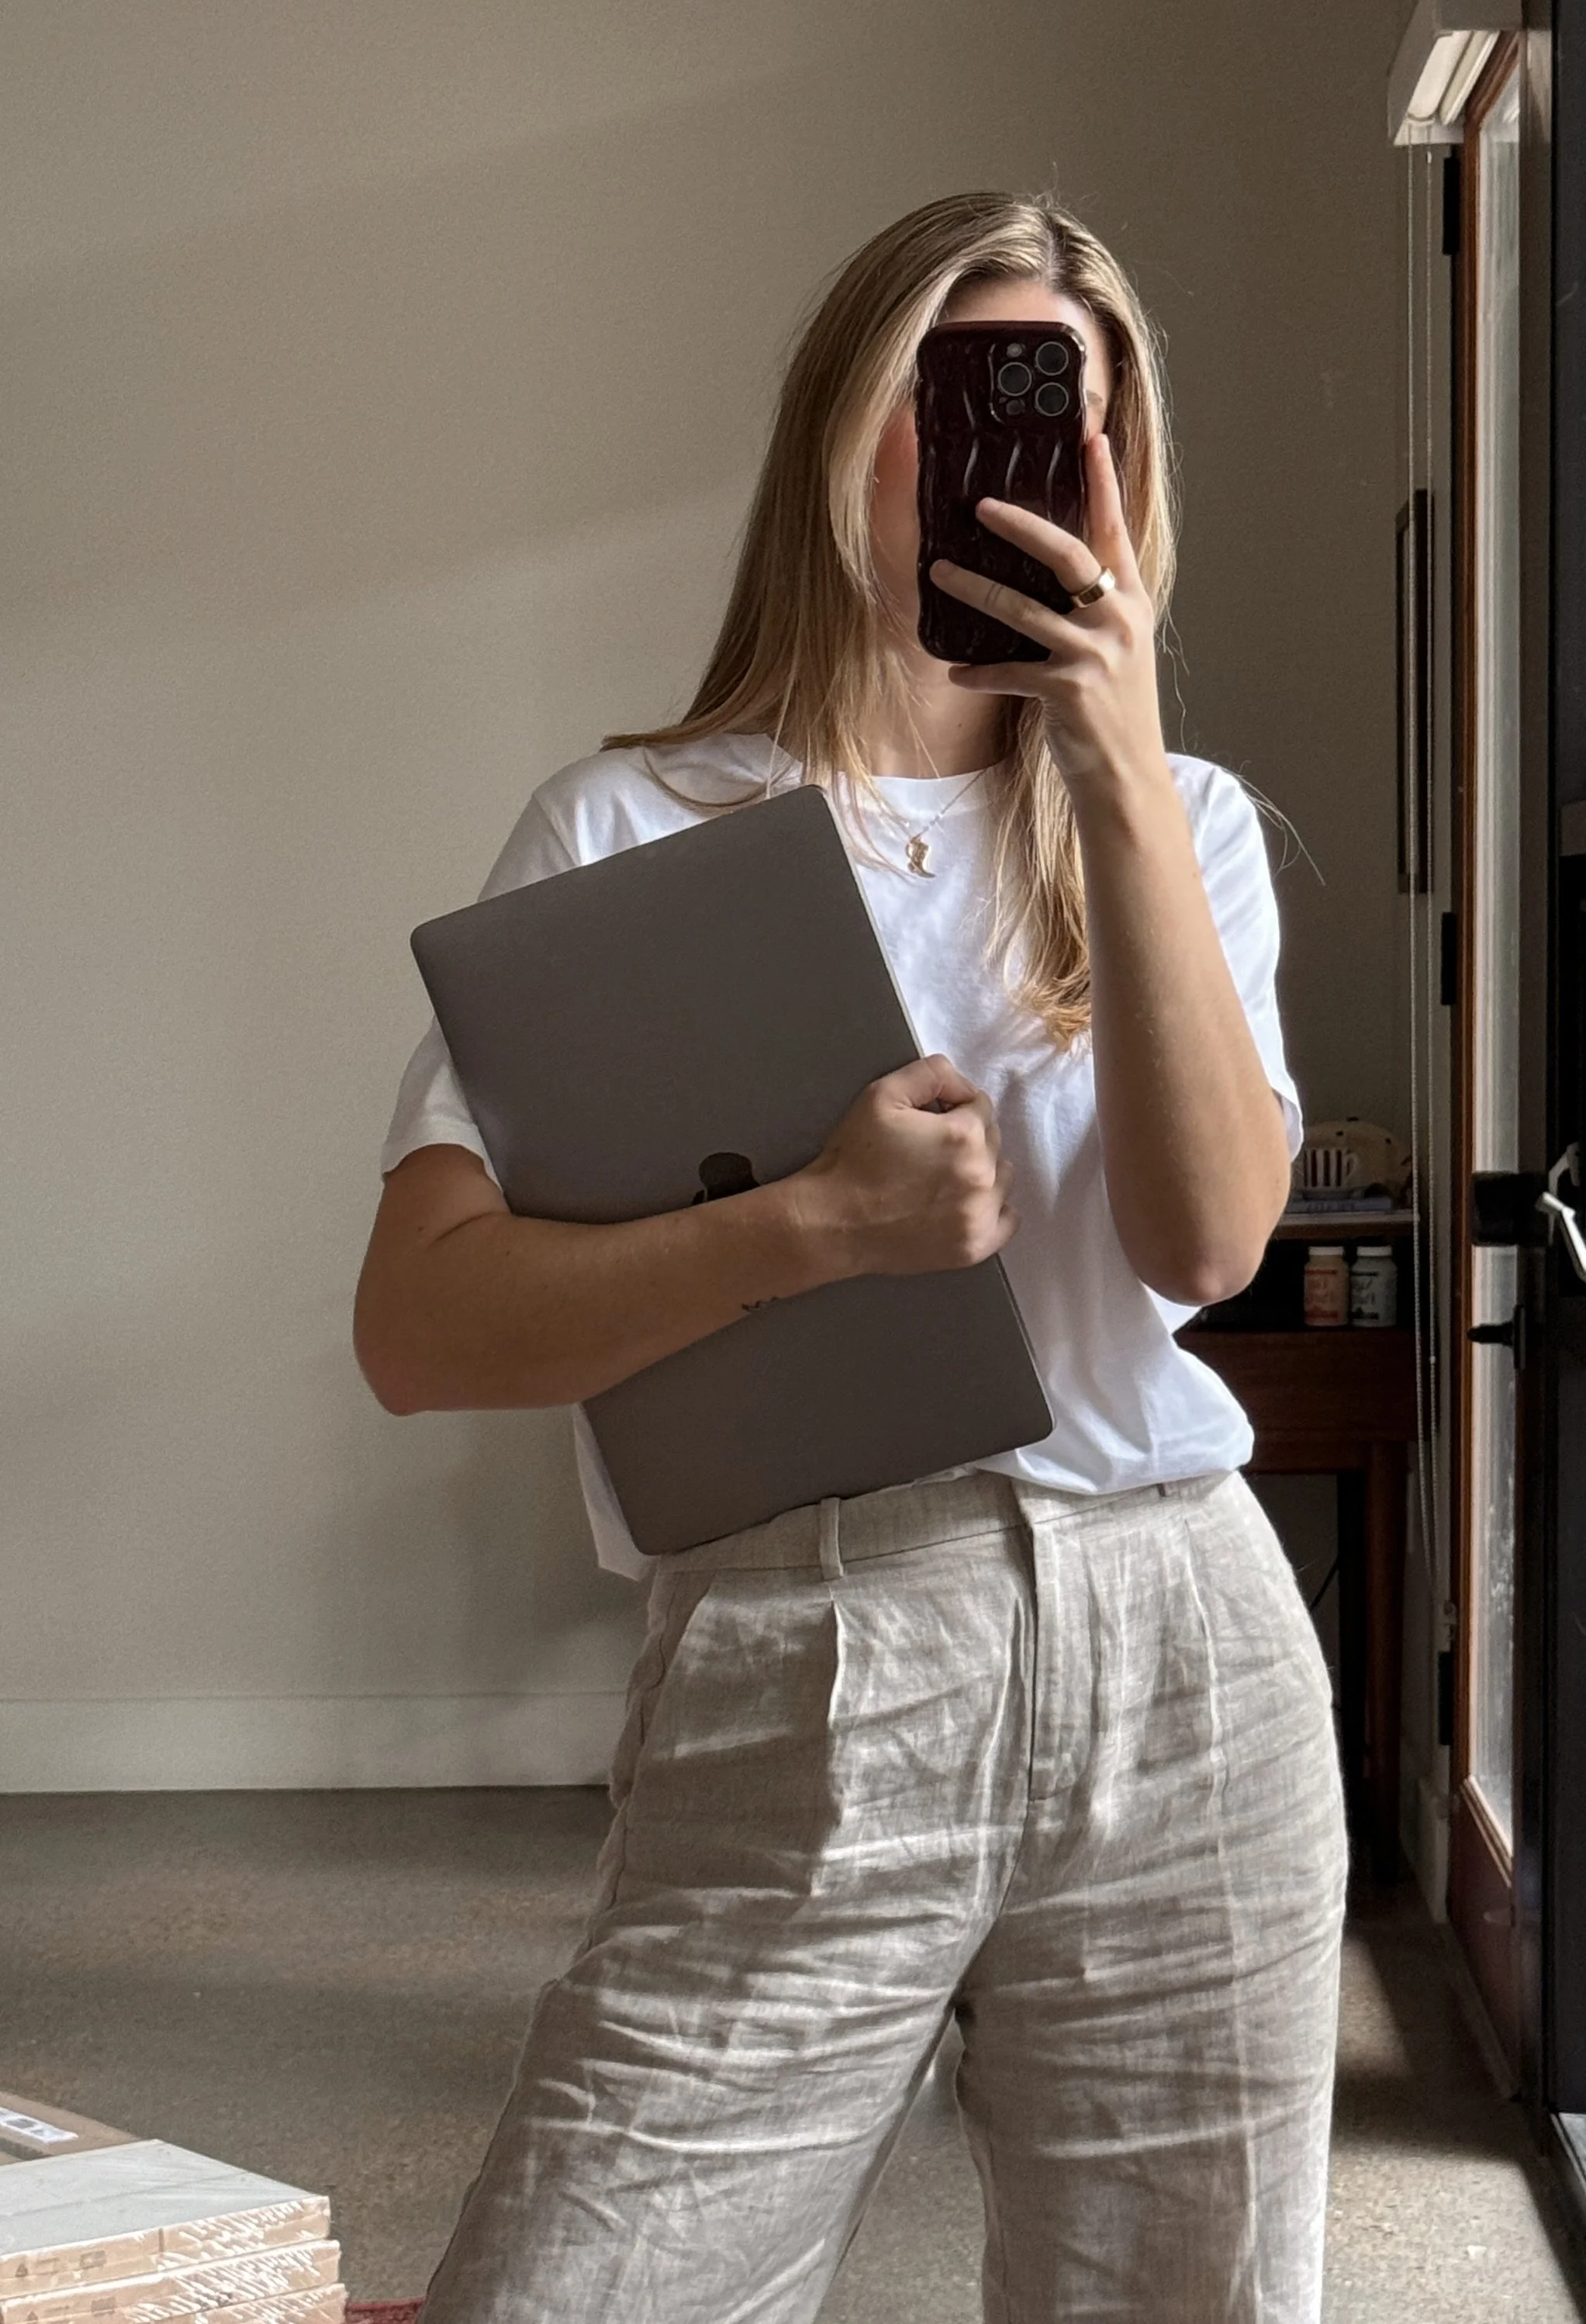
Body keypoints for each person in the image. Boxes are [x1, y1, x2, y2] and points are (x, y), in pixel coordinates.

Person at [352, 191, 1348, 2324]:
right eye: (943, 394)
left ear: (1118, 465)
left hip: (1187, 1642)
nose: (989, 451)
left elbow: (1208, 1236)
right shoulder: (637, 829)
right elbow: (419, 1327)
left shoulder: (1193, 824)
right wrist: (805, 1227)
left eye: (1048, 408)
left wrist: (1117, 762)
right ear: (843, 442)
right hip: (811, 1636)